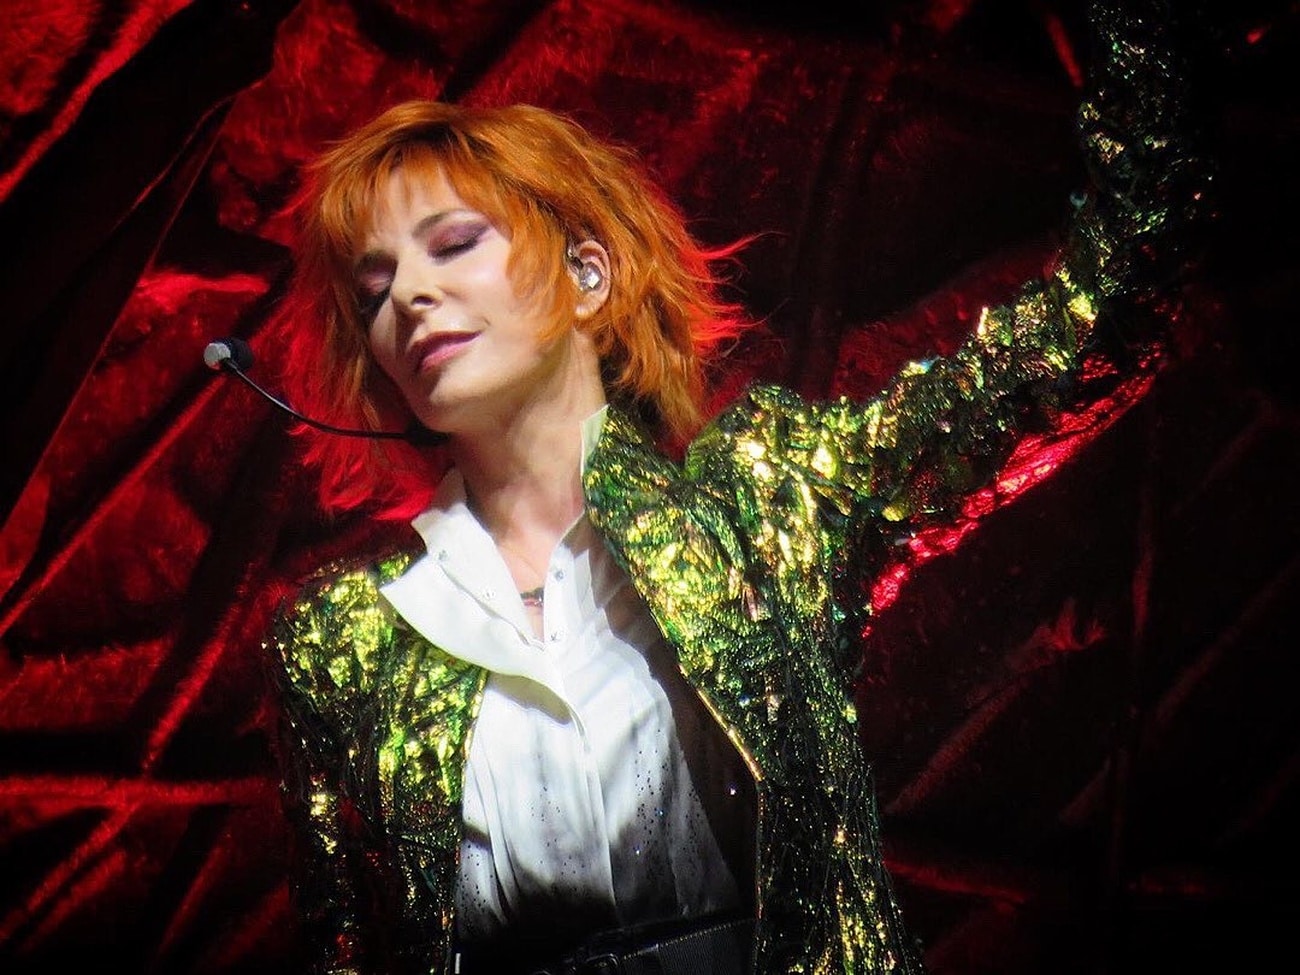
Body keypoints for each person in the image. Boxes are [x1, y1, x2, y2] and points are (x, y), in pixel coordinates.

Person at [263, 2, 1209, 972]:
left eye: (454, 242)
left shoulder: (764, 503)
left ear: (587, 276)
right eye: (373, 291)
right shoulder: (343, 639)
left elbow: (1102, 322)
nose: (408, 296)